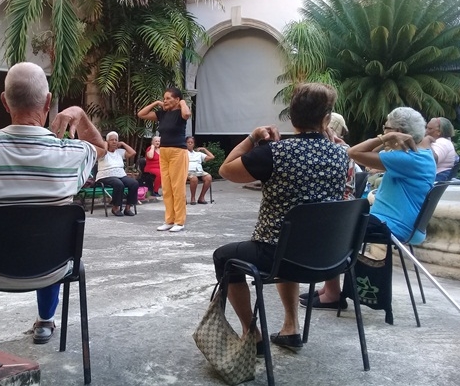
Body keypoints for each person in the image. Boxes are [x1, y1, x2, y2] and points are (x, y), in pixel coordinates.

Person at [0, 62, 105, 346]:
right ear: (48, 102)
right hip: (52, 268)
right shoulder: (72, 153)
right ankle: (46, 322)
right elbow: (101, 149)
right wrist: (81, 115)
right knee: (51, 241)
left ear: (4, 101)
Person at [213, 83, 348, 353]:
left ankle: (252, 333)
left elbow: (226, 170)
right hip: (328, 257)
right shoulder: (341, 154)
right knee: (292, 241)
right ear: (326, 119)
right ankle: (290, 328)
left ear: (292, 118)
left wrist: (252, 138)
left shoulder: (274, 153)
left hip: (279, 255)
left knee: (224, 257)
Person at [301, 107, 436, 310]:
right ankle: (330, 288)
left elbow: (353, 153)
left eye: (386, 128)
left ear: (398, 132)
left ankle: (332, 294)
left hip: (390, 225)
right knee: (336, 219)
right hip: (399, 223)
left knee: (330, 225)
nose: (382, 132)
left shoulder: (407, 159)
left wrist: (384, 139)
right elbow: (359, 154)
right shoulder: (420, 156)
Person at [138, 87, 191, 232]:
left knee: (177, 188)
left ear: (177, 99)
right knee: (167, 188)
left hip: (178, 152)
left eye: (168, 98)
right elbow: (141, 114)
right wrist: (156, 103)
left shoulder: (181, 112)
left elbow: (187, 113)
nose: (165, 101)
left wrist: (182, 102)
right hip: (164, 152)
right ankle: (169, 220)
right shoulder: (162, 114)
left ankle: (179, 221)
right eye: (164, 98)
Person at [95, 131, 139, 217]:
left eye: (116, 140)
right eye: (112, 140)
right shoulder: (102, 152)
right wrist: (105, 144)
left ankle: (127, 208)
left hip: (120, 175)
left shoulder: (119, 152)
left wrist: (122, 143)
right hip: (105, 175)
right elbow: (104, 151)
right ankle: (115, 208)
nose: (114, 142)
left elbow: (133, 153)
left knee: (134, 183)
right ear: (107, 142)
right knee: (119, 184)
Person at [426, 117, 458, 181]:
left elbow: (433, 160)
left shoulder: (442, 142)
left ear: (439, 132)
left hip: (437, 178)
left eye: (430, 129)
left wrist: (427, 142)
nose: (426, 131)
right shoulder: (445, 142)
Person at [186, 136, 214, 205]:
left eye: (192, 142)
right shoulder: (183, 153)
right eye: (188, 142)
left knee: (208, 177)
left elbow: (212, 157)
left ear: (194, 144)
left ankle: (201, 197)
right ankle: (193, 198)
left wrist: (204, 149)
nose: (190, 143)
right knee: (194, 178)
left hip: (199, 171)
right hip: (188, 172)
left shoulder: (198, 154)